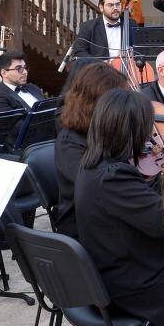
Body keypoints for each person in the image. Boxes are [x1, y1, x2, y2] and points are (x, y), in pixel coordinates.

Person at [74, 89, 164, 326]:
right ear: (130, 130)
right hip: (134, 283)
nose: (151, 135)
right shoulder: (113, 176)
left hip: (121, 265)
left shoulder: (94, 162)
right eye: (146, 127)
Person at [53, 63, 128, 238]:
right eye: (116, 101)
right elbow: (97, 187)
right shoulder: (69, 142)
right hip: (86, 226)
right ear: (95, 101)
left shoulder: (107, 128)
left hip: (114, 212)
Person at [70, 0, 139, 68]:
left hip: (128, 71)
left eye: (118, 4)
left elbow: (139, 49)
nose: (115, 8)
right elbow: (79, 52)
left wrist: (134, 53)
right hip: (100, 73)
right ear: (101, 7)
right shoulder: (88, 26)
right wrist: (100, 63)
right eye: (110, 5)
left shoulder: (131, 24)